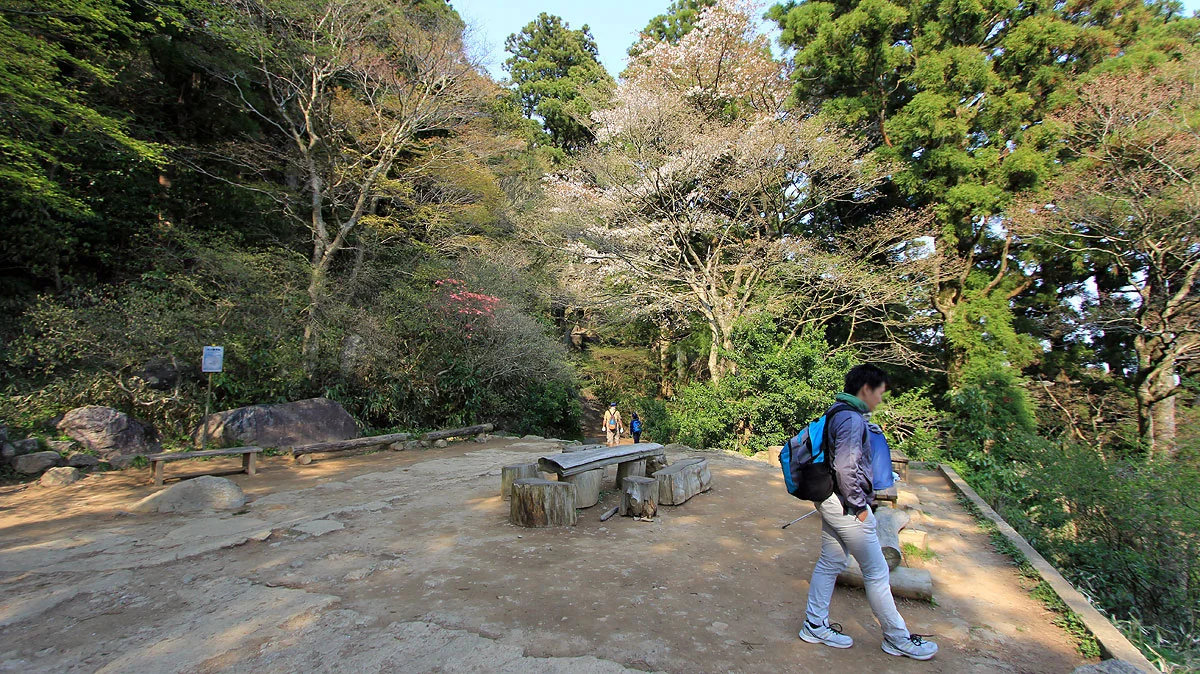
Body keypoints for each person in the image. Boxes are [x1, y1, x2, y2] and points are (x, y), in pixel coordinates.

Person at [799, 364, 938, 661]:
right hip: (846, 505)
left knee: (831, 560)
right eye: (880, 393)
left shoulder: (839, 410)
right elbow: (845, 467)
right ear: (866, 389)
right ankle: (897, 638)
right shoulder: (850, 419)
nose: (881, 399)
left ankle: (814, 624)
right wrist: (859, 506)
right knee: (876, 572)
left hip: (829, 499)